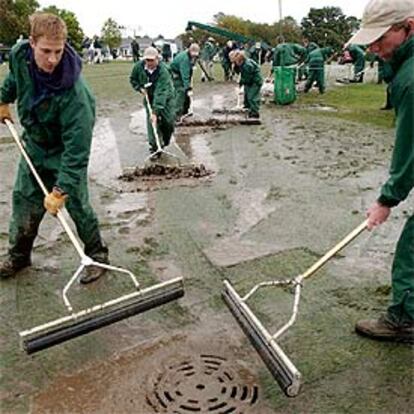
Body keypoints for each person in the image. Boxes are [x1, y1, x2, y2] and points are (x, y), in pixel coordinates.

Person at [0, 13, 109, 283]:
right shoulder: (19, 56)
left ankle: (97, 256)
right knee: (24, 201)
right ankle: (18, 256)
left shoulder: (76, 95)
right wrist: (3, 99)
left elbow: (77, 150)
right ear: (32, 43)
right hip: (35, 145)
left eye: (58, 52)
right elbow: (15, 78)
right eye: (46, 51)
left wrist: (60, 190)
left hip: (63, 152)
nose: (52, 59)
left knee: (78, 206)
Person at [347, 0, 414, 343]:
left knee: (411, 249)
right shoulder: (403, 67)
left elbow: (410, 149)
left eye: (380, 39)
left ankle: (405, 318)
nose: (373, 49)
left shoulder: (411, 79)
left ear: (409, 27)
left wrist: (387, 198)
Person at [130, 46, 175, 155]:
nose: (149, 62)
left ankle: (165, 140)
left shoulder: (163, 71)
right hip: (149, 97)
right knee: (152, 123)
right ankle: (155, 146)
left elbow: (161, 92)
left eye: (151, 60)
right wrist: (139, 88)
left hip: (166, 96)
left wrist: (156, 112)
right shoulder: (138, 67)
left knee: (168, 122)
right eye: (147, 60)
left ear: (157, 59)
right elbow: (133, 79)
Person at [169, 43, 199, 120]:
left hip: (181, 72)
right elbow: (185, 75)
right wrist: (188, 88)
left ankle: (185, 110)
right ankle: (175, 114)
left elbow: (190, 69)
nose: (194, 56)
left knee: (185, 91)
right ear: (190, 51)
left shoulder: (192, 56)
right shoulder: (184, 59)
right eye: (193, 54)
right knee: (181, 91)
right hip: (175, 73)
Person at [229, 50, 263, 119]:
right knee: (246, 96)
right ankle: (247, 109)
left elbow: (247, 78)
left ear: (240, 60)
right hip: (250, 82)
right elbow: (242, 75)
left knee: (252, 97)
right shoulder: (243, 63)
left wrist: (241, 82)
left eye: (235, 62)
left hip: (255, 82)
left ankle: (254, 113)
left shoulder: (247, 65)